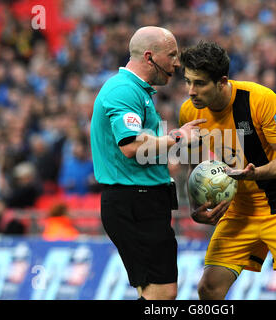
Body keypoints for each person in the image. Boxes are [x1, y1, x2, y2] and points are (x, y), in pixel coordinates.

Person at [178, 41, 276, 300]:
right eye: (188, 81)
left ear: (222, 81)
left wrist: (255, 174)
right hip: (240, 209)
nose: (191, 91)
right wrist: (197, 204)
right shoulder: (189, 111)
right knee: (209, 288)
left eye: (200, 83)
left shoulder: (262, 100)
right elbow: (196, 165)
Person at [90, 26, 205, 300]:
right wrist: (178, 137)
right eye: (172, 55)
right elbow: (131, 145)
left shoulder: (136, 91)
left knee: (153, 292)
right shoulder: (123, 91)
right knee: (162, 293)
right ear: (150, 57)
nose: (177, 63)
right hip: (135, 202)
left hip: (141, 201)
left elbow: (141, 148)